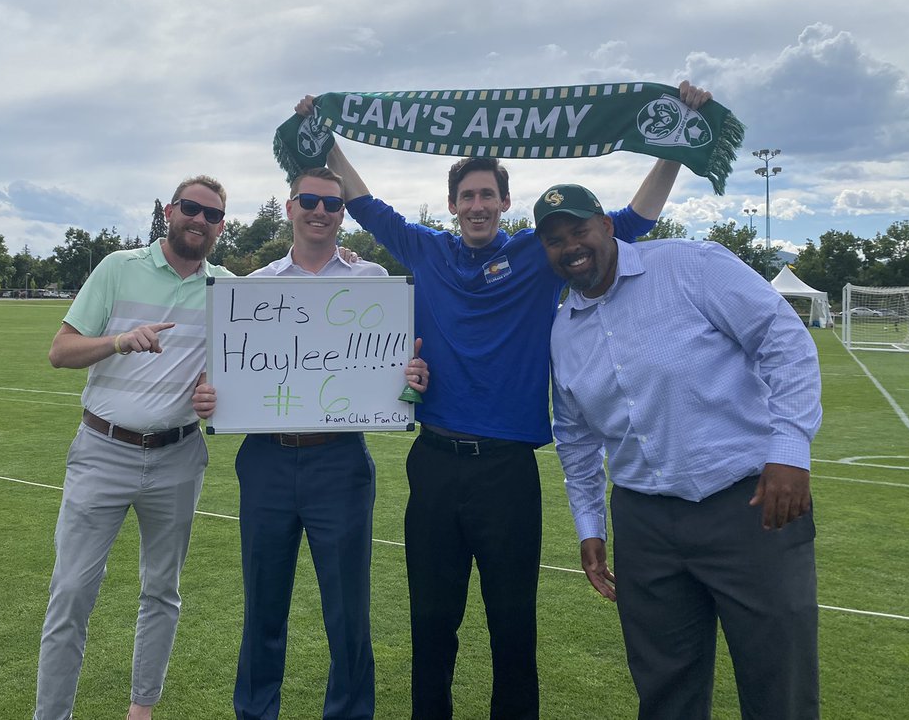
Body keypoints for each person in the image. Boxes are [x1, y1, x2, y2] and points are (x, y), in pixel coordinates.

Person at [297, 81, 710, 719]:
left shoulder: (538, 254)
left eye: (488, 194)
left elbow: (632, 220)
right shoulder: (426, 248)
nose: (478, 205)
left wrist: (676, 144)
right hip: (433, 465)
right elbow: (363, 202)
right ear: (453, 205)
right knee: (432, 624)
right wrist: (325, 138)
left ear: (506, 202)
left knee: (513, 626)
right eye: (467, 196)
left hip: (509, 472)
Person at [537, 184, 821, 719]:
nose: (571, 246)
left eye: (579, 230)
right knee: (666, 690)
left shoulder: (691, 264)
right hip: (644, 522)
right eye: (555, 240)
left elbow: (783, 339)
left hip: (750, 503)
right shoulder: (561, 331)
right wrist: (590, 527)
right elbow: (575, 438)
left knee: (777, 680)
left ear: (607, 225)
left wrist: (789, 449)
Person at [192, 167, 429, 720]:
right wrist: (209, 398)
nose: (320, 210)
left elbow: (396, 369)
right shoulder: (253, 287)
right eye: (310, 200)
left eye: (332, 202)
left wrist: (413, 376)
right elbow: (226, 378)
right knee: (263, 606)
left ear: (342, 211)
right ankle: (256, 711)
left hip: (339, 461)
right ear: (290, 205)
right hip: (267, 459)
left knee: (348, 610)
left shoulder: (375, 280)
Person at [35, 176, 235, 720]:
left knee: (162, 592)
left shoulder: (228, 289)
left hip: (179, 455)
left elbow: (264, 352)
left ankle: (141, 711)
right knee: (72, 592)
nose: (199, 220)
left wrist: (215, 394)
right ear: (170, 212)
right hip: (103, 450)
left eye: (212, 214)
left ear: (221, 226)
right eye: (190, 208)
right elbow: (61, 351)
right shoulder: (118, 267)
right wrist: (120, 340)